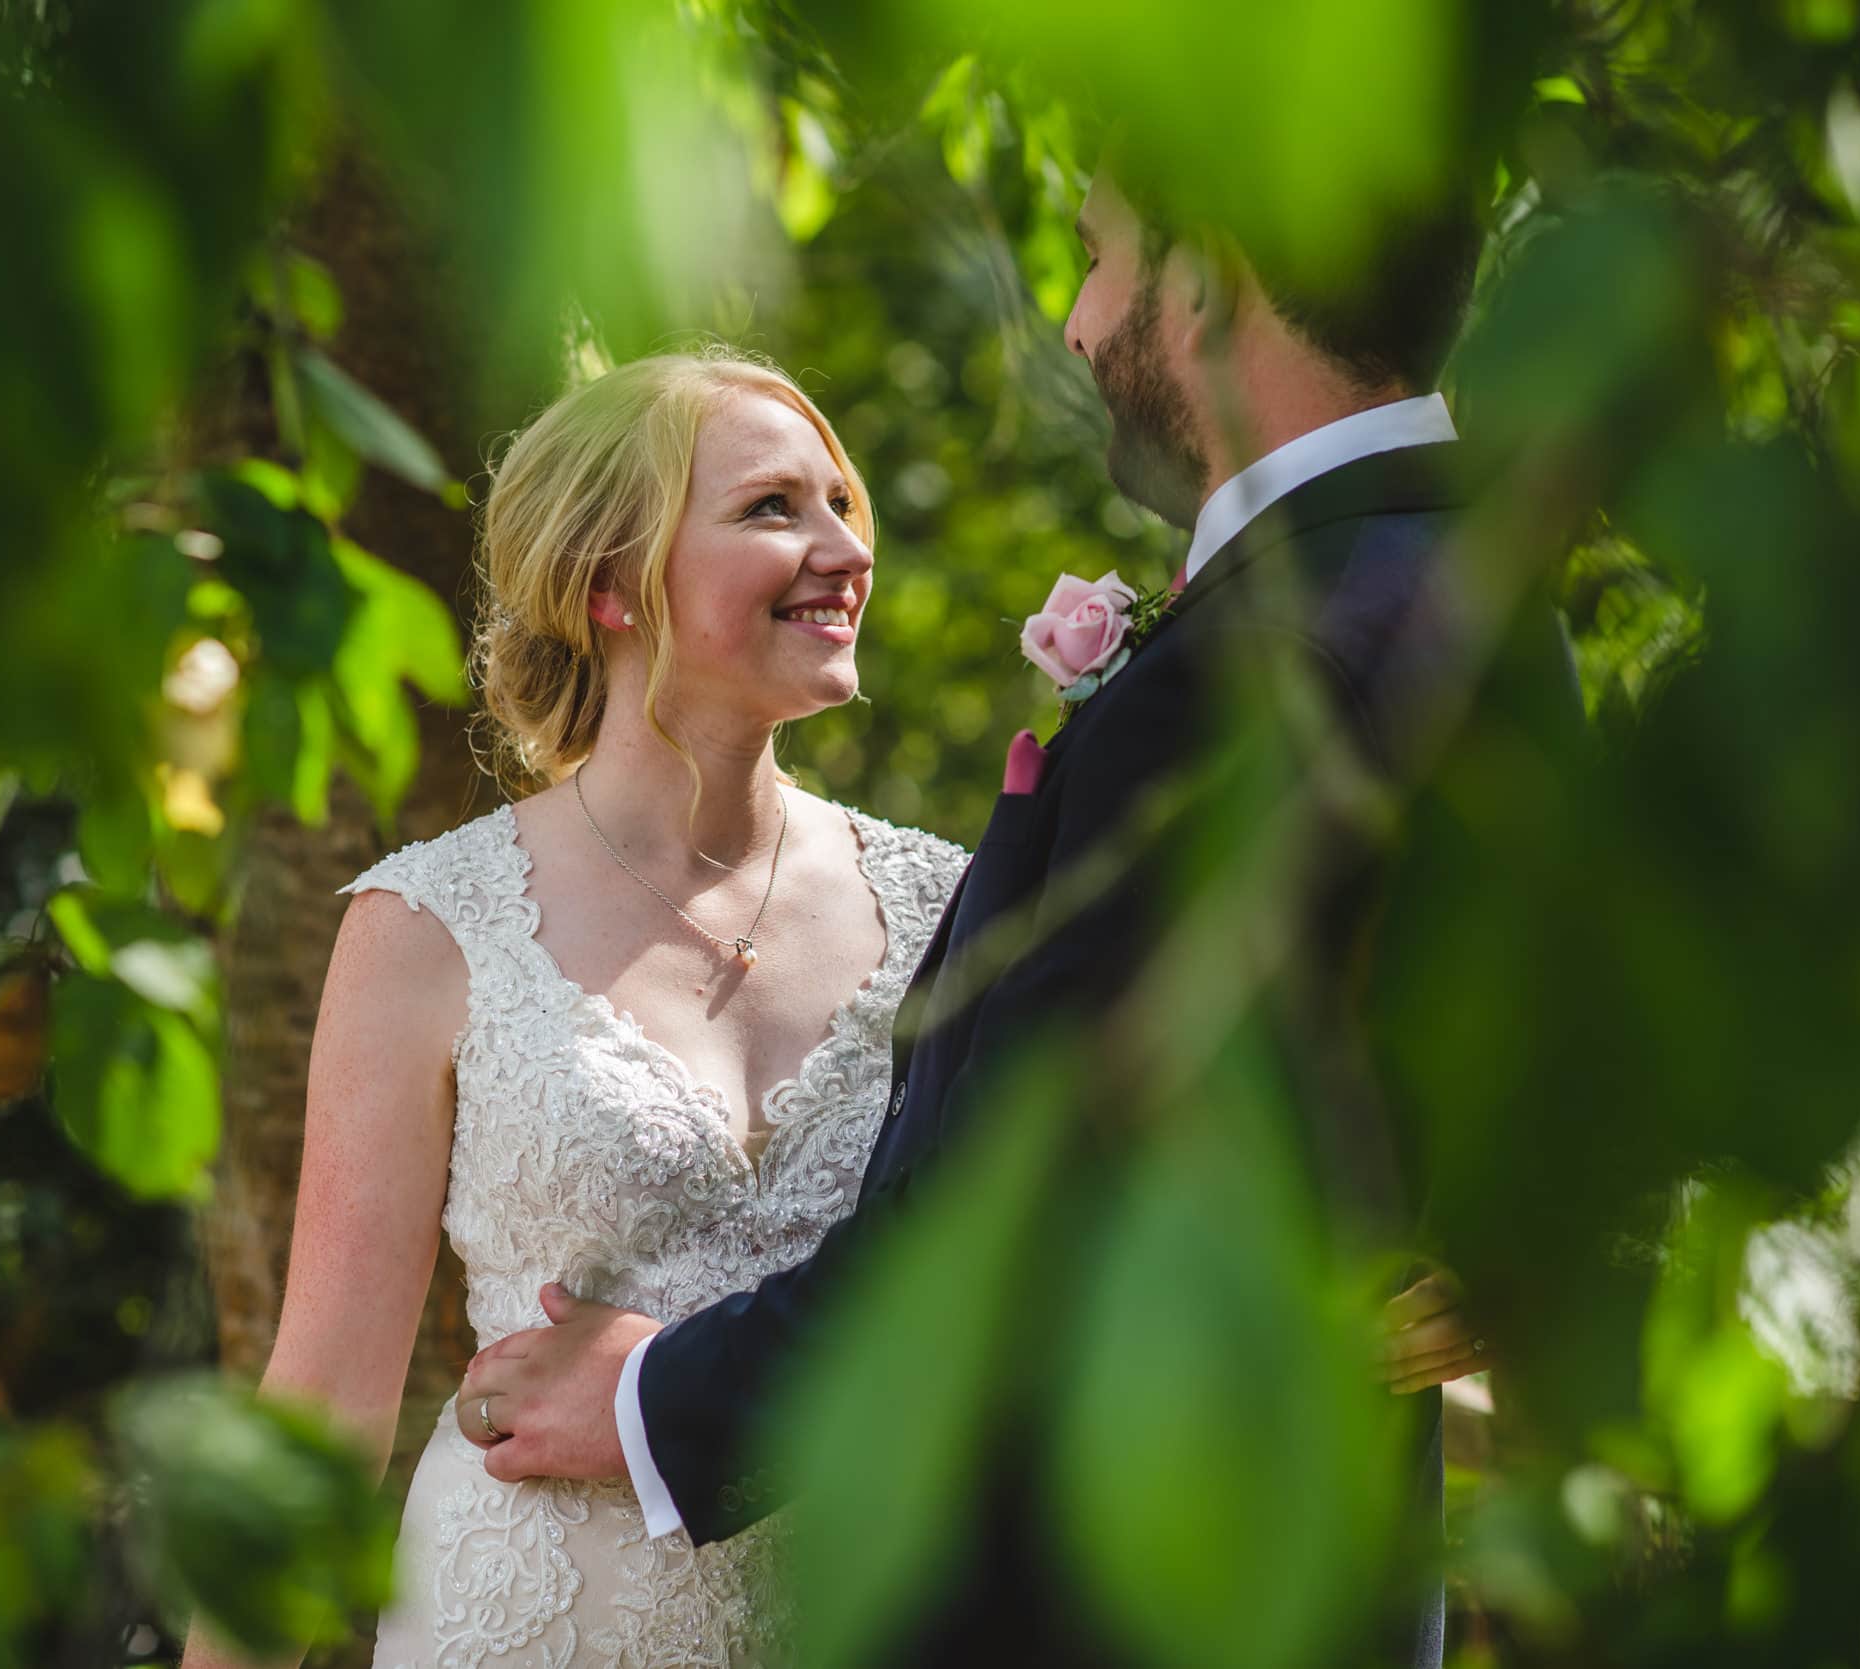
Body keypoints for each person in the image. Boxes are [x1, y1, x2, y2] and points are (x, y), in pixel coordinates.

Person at [452, 158, 1522, 1667]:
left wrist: (649, 1397)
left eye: (1097, 258)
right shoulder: (1472, 587)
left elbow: (1020, 1203)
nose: (1079, 330)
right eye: (769, 506)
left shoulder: (1266, 650)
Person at [177, 349, 970, 1669]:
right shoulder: (428, 927)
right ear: (609, 584)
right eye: (774, 508)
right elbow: (319, 1406)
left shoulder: (951, 908)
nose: (843, 548)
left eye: (840, 502)